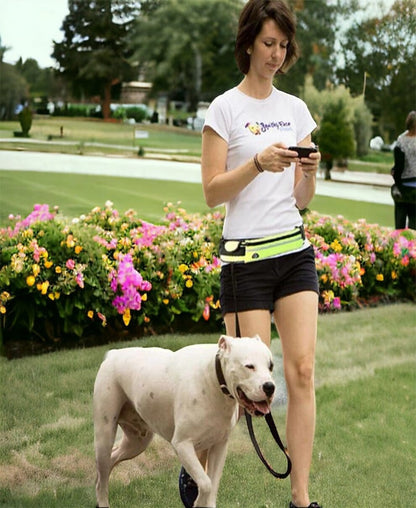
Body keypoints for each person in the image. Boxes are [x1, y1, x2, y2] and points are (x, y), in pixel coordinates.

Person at [183, 1, 322, 507]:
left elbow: (302, 200)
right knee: (240, 388)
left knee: (301, 372)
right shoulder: (224, 109)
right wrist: (258, 164)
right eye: (268, 44)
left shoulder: (295, 110)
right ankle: (195, 463)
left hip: (294, 253)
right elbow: (212, 191)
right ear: (247, 43)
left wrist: (307, 172)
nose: (277, 55)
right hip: (245, 263)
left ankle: (300, 498)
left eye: (284, 46)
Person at [391, 111, 416, 229]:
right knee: (413, 228)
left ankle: (399, 246)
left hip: (402, 187)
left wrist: (394, 173)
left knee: (399, 226)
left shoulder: (401, 140)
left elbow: (398, 165)